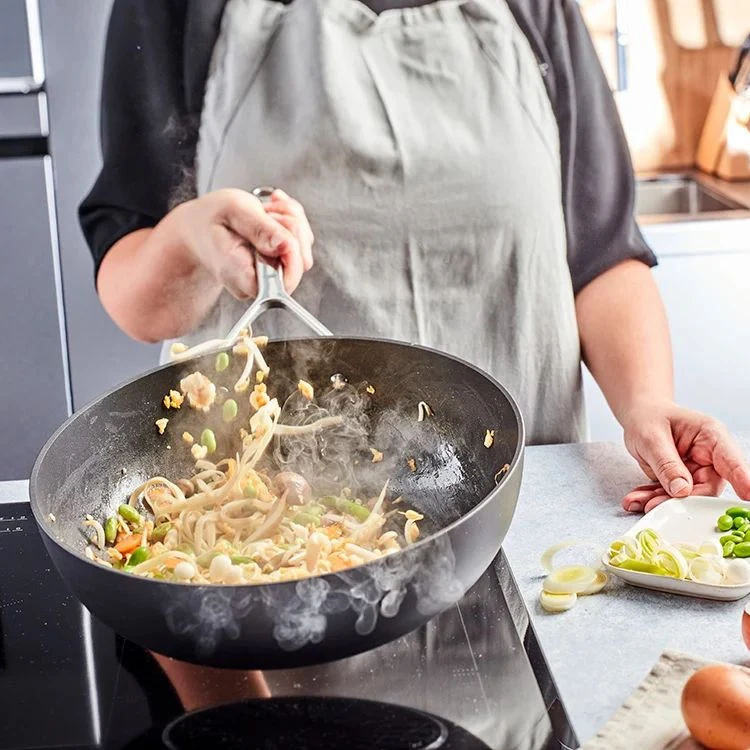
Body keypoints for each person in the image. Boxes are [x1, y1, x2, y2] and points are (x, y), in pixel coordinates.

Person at [80, 0, 750, 513]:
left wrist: (645, 403)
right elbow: (138, 299)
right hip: (266, 532)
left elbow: (600, 257)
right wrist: (190, 237)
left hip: (518, 521)